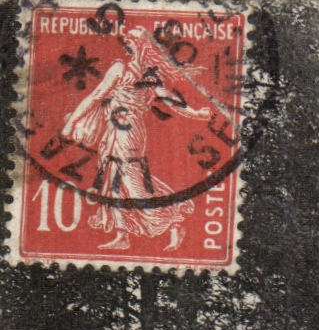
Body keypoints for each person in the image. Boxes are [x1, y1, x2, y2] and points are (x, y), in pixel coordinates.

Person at [59, 26, 211, 251]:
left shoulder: (149, 74)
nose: (129, 43)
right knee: (113, 182)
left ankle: (174, 221)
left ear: (143, 45)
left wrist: (195, 113)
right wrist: (71, 123)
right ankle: (122, 235)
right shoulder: (120, 68)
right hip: (113, 130)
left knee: (133, 184)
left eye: (134, 40)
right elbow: (96, 96)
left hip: (130, 132)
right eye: (129, 40)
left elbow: (169, 99)